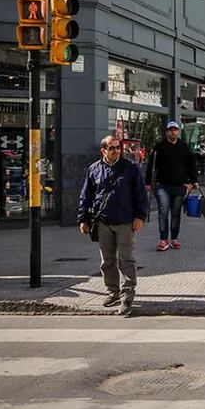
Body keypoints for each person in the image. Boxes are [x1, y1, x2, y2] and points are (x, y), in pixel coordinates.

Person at [78, 135, 148, 316]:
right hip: (103, 222)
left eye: (118, 147)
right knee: (107, 261)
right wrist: (83, 219)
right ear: (103, 151)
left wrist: (140, 216)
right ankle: (112, 292)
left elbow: (141, 194)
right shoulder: (94, 169)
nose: (116, 150)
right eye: (112, 148)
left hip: (125, 221)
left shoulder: (130, 168)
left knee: (127, 260)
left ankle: (127, 296)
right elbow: (86, 196)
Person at [146, 121, 197, 252]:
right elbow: (151, 166)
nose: (173, 132)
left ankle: (174, 238)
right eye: (170, 130)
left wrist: (193, 181)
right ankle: (163, 239)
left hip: (179, 185)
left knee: (176, 213)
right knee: (163, 211)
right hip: (162, 185)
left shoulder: (183, 146)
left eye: (175, 130)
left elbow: (191, 165)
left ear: (178, 132)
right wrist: (148, 183)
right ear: (166, 132)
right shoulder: (159, 147)